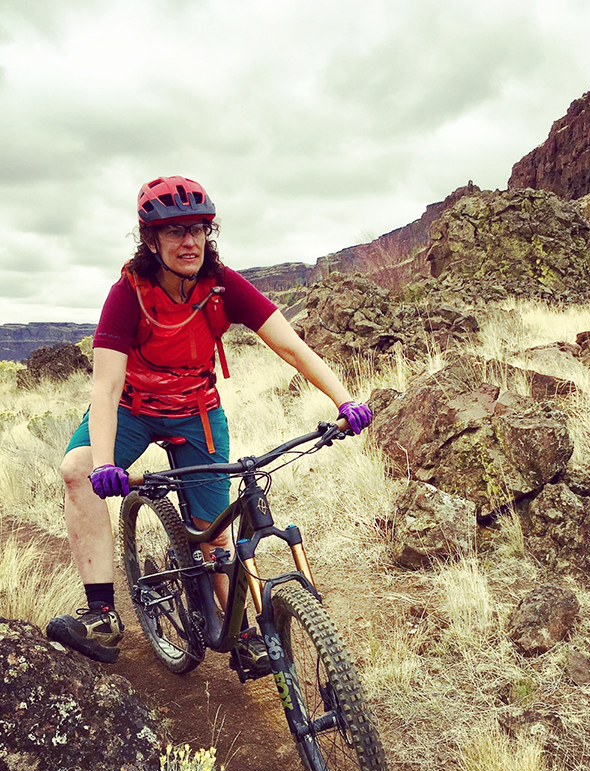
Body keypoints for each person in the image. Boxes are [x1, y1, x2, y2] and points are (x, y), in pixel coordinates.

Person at [46, 175, 372, 668]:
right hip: (132, 407)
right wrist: (105, 463)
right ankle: (103, 615)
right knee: (77, 472)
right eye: (175, 231)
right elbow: (106, 388)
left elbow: (292, 347)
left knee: (214, 532)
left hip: (196, 412)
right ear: (150, 240)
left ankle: (241, 634)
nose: (189, 241)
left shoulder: (222, 284)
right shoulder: (128, 292)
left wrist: (346, 401)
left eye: (198, 228)